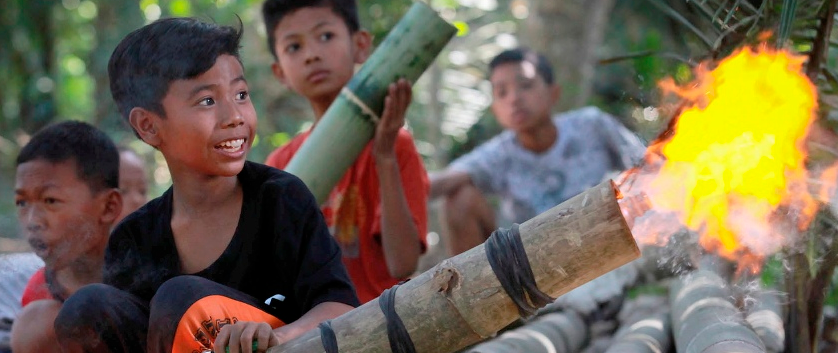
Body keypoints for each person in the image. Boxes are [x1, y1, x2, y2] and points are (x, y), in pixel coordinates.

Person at [0, 17, 358, 353]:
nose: (234, 116)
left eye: (241, 94)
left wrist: (282, 336)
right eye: (207, 101)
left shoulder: (280, 200)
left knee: (184, 301)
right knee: (87, 310)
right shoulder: (139, 236)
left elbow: (338, 305)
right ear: (148, 126)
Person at [262, 0, 430, 303]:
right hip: (313, 329)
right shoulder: (281, 164)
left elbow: (403, 264)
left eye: (325, 36)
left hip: (382, 318)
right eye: (294, 47)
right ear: (280, 73)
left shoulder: (395, 146)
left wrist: (385, 158)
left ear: (360, 45)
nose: (312, 55)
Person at [430, 48, 645, 255]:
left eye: (525, 85)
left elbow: (648, 165)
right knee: (459, 198)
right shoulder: (498, 155)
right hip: (536, 267)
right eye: (502, 92)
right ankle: (476, 291)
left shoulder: (592, 125)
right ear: (495, 110)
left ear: (553, 93)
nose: (514, 99)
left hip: (613, 242)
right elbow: (443, 181)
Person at [8, 125, 146, 353]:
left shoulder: (143, 271)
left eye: (50, 201)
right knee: (35, 324)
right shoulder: (40, 291)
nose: (32, 222)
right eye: (22, 203)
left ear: (109, 207)